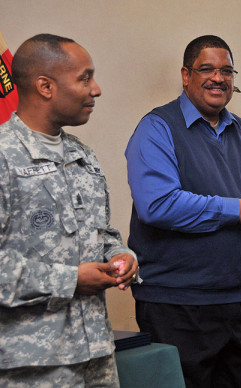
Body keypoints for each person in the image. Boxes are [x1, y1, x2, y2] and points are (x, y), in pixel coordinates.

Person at [125, 35, 241, 388]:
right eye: (207, 69)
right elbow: (158, 205)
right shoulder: (156, 128)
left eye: (227, 70)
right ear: (185, 75)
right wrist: (235, 210)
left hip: (237, 301)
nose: (218, 78)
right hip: (174, 305)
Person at [0, 34, 139, 387]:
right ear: (45, 86)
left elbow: (101, 233)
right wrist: (71, 279)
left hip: (96, 355)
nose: (96, 89)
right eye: (84, 78)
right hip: (30, 367)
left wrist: (120, 254)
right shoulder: (3, 157)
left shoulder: (83, 155)